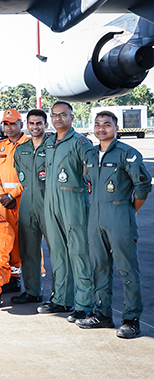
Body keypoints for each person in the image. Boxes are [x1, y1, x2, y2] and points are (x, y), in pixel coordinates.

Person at [76, 110, 151, 338]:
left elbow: (143, 187)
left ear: (116, 128)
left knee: (126, 268)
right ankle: (103, 314)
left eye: (107, 124)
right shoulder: (89, 155)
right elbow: (88, 182)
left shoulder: (127, 154)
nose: (101, 128)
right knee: (99, 266)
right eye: (98, 124)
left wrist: (129, 211)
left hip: (119, 214)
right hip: (95, 216)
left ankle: (131, 318)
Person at [39, 101, 95, 321]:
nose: (58, 118)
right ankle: (61, 300)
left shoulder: (81, 142)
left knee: (79, 253)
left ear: (72, 117)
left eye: (63, 115)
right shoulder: (50, 142)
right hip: (51, 201)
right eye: (54, 115)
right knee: (58, 253)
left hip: (73, 201)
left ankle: (84, 304)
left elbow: (90, 173)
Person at [11, 110, 48, 305]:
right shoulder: (21, 150)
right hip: (27, 202)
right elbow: (21, 176)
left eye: (39, 123)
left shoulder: (53, 146)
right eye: (32, 123)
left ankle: (60, 296)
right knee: (28, 249)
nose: (35, 127)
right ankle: (32, 291)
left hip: (48, 202)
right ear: (27, 125)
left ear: (46, 125)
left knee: (58, 251)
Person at [0, 109, 29, 294]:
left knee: (27, 240)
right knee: (8, 239)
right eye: (6, 124)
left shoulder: (29, 144)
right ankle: (12, 278)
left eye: (12, 123)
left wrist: (13, 195)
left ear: (21, 124)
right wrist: (1, 196)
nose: (9, 127)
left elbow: (30, 175)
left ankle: (30, 279)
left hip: (24, 199)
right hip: (4, 202)